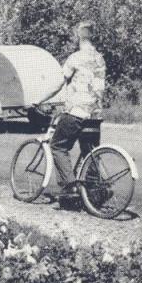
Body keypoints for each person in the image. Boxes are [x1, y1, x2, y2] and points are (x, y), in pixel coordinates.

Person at [37, 21, 106, 195]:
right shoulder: (100, 58)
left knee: (58, 146)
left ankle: (71, 187)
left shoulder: (75, 58)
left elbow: (58, 84)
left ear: (78, 36)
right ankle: (95, 192)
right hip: (95, 115)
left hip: (77, 112)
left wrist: (40, 100)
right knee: (89, 152)